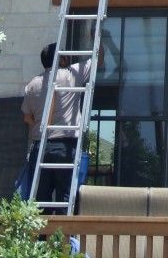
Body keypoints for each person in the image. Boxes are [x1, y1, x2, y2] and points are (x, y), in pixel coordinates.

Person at [21, 42, 99, 212]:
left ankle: (41, 238)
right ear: (61, 59)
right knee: (66, 197)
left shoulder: (33, 84)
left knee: (40, 200)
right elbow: (98, 60)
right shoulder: (71, 75)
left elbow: (27, 118)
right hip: (65, 147)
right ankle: (63, 238)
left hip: (41, 147)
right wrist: (99, 37)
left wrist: (43, 126)